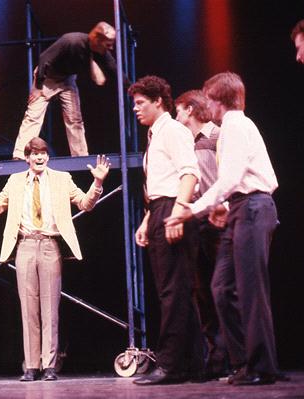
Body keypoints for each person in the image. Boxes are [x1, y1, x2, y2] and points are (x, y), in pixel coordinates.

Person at [0, 137, 110, 381]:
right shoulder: (15, 181)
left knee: (50, 308)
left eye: (44, 153)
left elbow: (85, 204)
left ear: (48, 156)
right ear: (27, 157)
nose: (39, 157)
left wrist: (98, 182)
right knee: (28, 309)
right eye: (35, 153)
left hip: (49, 246)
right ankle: (31, 366)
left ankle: (49, 366)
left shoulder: (62, 179)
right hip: (25, 246)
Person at [166, 72, 280, 385]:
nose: (208, 104)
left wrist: (193, 209)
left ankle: (261, 367)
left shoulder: (236, 125)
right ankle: (245, 362)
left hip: (254, 207)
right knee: (221, 287)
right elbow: (234, 181)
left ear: (219, 101)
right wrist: (221, 207)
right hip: (242, 210)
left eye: (210, 99)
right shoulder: (232, 126)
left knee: (251, 290)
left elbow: (230, 178)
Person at [128, 76, 204, 385]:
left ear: (159, 101)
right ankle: (195, 364)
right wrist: (148, 220)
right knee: (175, 290)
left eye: (141, 103)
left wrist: (175, 215)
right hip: (161, 209)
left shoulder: (173, 131)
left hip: (174, 208)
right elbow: (160, 183)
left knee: (173, 291)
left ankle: (171, 365)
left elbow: (189, 173)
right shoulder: (154, 135)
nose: (136, 109)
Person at [175, 90, 228, 378]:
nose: (177, 116)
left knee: (225, 290)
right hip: (195, 222)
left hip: (221, 220)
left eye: (180, 111)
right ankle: (216, 359)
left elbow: (232, 175)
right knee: (203, 294)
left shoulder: (219, 136)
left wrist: (225, 206)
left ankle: (237, 357)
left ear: (192, 110)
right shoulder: (183, 143)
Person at [12, 22, 117, 160]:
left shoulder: (100, 52)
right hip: (47, 77)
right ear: (98, 40)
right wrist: (37, 87)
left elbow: (114, 70)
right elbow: (44, 58)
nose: (111, 48)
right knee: (34, 115)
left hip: (67, 80)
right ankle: (20, 153)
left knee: (74, 119)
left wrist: (131, 89)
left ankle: (80, 156)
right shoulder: (72, 40)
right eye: (108, 44)